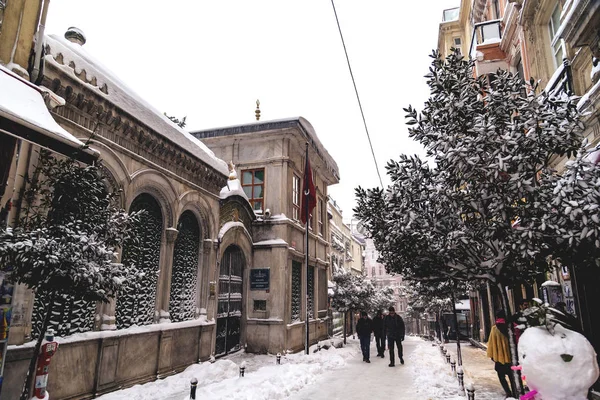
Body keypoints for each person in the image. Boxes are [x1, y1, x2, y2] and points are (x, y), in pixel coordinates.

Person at [487, 310, 515, 398]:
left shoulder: (494, 329)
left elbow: (491, 343)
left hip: (499, 357)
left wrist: (492, 355)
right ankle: (515, 391)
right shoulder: (511, 327)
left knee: (501, 376)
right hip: (511, 357)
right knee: (512, 375)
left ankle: (508, 392)